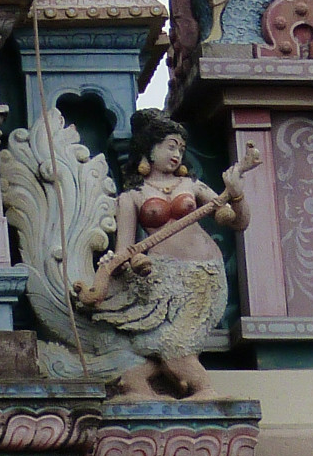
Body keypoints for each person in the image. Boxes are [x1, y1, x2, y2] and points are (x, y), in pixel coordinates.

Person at [81, 110, 249, 399]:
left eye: (181, 149)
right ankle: (141, 383)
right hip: (163, 279)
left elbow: (238, 221)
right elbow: (125, 250)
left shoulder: (192, 186)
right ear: (149, 148)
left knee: (178, 343)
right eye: (170, 146)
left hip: (205, 275)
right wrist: (115, 265)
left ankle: (194, 389)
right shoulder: (132, 196)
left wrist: (237, 193)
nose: (177, 154)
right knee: (160, 341)